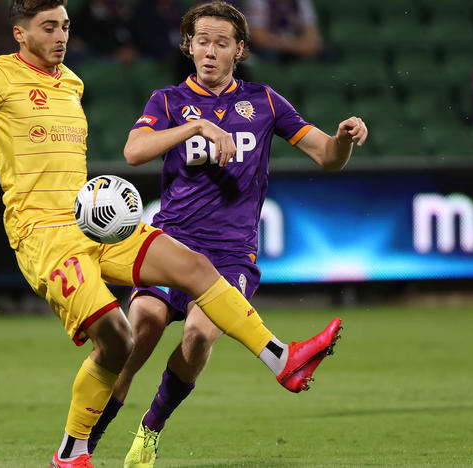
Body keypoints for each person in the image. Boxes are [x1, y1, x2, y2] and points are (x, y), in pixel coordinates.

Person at [0, 2, 344, 467]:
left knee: (196, 269)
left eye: (65, 25)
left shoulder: (72, 82)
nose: (61, 36)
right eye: (48, 27)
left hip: (93, 222)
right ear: (20, 34)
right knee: (118, 338)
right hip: (43, 234)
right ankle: (72, 453)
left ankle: (283, 359)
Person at [86, 2, 367, 467]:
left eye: (221, 43)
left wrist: (342, 137)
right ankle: (84, 449)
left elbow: (327, 157)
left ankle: (149, 430)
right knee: (139, 335)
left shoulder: (266, 102)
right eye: (202, 41)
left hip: (230, 255)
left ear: (240, 49)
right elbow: (134, 151)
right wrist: (193, 126)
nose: (210, 52)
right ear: (188, 46)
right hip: (169, 246)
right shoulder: (169, 101)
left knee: (198, 336)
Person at [245, 0, 323, 62]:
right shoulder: (260, 2)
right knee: (270, 54)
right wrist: (296, 47)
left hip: (292, 45)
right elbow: (258, 37)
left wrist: (306, 45)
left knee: (325, 53)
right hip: (271, 49)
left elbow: (313, 36)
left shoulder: (301, 2)